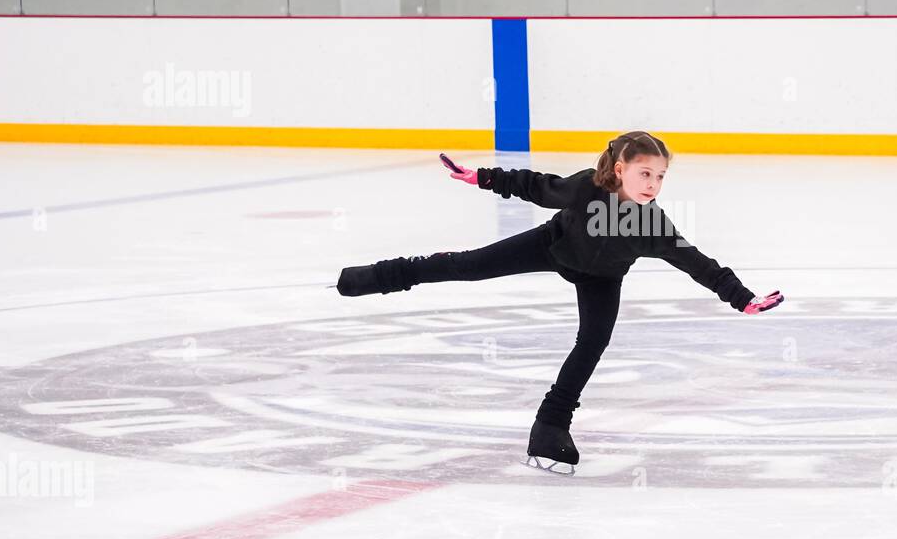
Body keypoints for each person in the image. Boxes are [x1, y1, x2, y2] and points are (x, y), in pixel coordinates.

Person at [335, 130, 783, 474]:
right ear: (621, 167)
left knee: (592, 343)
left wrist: (741, 299)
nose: (654, 184)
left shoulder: (651, 223)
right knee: (469, 266)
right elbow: (539, 187)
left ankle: (550, 427)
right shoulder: (587, 189)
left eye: (661, 176)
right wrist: (483, 177)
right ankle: (380, 275)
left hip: (602, 278)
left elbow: (698, 263)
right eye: (646, 173)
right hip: (552, 246)